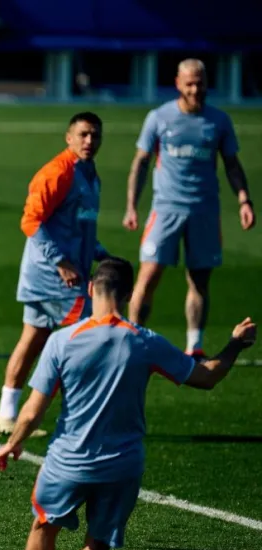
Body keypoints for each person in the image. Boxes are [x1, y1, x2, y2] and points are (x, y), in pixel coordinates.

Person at [0, 257, 255, 550]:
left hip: (67, 461)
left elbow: (33, 410)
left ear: (90, 290)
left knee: (44, 526)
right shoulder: (144, 341)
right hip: (121, 465)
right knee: (96, 545)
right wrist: (235, 343)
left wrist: (14, 441)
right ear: (131, 294)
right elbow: (207, 377)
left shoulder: (62, 340)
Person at [123, 59, 255, 358]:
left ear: (207, 83)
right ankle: (132, 340)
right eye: (189, 84)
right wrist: (131, 206)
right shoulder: (159, 118)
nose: (195, 89)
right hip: (166, 208)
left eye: (200, 83)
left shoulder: (219, 121)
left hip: (204, 210)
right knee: (148, 275)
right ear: (178, 84)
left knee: (199, 280)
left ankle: (194, 346)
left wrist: (244, 200)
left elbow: (232, 164)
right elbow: (141, 162)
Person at [0, 112, 109, 438]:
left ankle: (7, 416)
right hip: (56, 278)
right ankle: (77, 421)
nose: (89, 141)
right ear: (68, 138)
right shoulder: (58, 172)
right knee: (85, 343)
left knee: (33, 340)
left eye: (95, 135)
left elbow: (78, 228)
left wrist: (102, 254)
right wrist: (61, 262)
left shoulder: (90, 175)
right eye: (83, 134)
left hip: (54, 275)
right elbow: (31, 221)